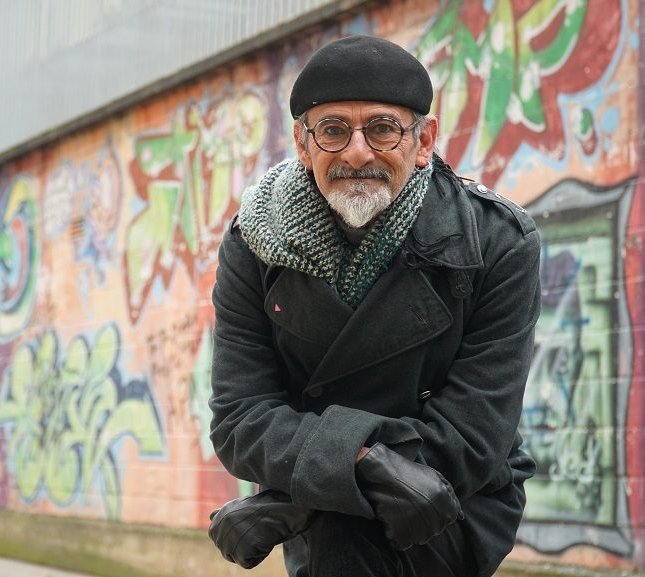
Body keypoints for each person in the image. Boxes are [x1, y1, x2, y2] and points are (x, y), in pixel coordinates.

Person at [207, 35, 540, 577]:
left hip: (452, 499)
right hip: (319, 494)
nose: (357, 152)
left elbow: (475, 436)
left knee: (344, 537)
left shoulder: (497, 241)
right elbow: (239, 418)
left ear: (424, 139)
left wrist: (302, 496)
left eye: (382, 128)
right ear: (302, 143)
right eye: (334, 130)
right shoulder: (253, 244)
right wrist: (354, 462)